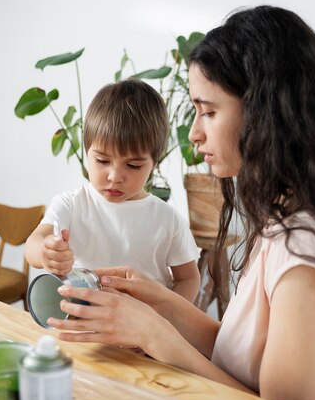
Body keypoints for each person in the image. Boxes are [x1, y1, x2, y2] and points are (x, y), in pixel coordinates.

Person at [44, 6, 315, 400]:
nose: (194, 133)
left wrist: (156, 336)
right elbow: (242, 358)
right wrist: (161, 303)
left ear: (265, 113)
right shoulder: (290, 215)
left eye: (208, 112)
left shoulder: (307, 250)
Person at [24, 79, 201, 302]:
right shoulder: (71, 204)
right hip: (83, 324)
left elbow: (188, 279)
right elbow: (33, 244)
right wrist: (44, 252)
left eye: (133, 165)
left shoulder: (167, 219)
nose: (115, 177)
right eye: (102, 160)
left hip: (143, 330)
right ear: (87, 152)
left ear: (154, 163)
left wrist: (168, 315)